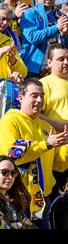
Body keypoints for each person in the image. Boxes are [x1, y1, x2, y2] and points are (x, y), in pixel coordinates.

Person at [0, 78, 68, 229]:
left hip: (41, 201)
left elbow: (59, 165)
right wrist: (47, 144)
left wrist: (66, 147)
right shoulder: (9, 121)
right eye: (34, 95)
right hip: (15, 199)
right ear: (20, 98)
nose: (39, 100)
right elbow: (13, 156)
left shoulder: (46, 126)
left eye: (42, 95)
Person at [39, 43, 68, 200]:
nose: (66, 62)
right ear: (49, 63)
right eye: (61, 59)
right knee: (56, 199)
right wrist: (61, 126)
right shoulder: (43, 84)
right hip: (55, 154)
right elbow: (35, 115)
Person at [20, 0, 68, 79]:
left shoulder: (61, 16)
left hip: (56, 71)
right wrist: (56, 28)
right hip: (33, 71)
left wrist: (66, 34)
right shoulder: (29, 13)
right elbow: (33, 37)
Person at [0, 155, 36, 229]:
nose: (10, 177)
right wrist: (21, 225)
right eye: (5, 172)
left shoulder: (10, 198)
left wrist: (20, 225)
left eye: (13, 173)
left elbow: (32, 226)